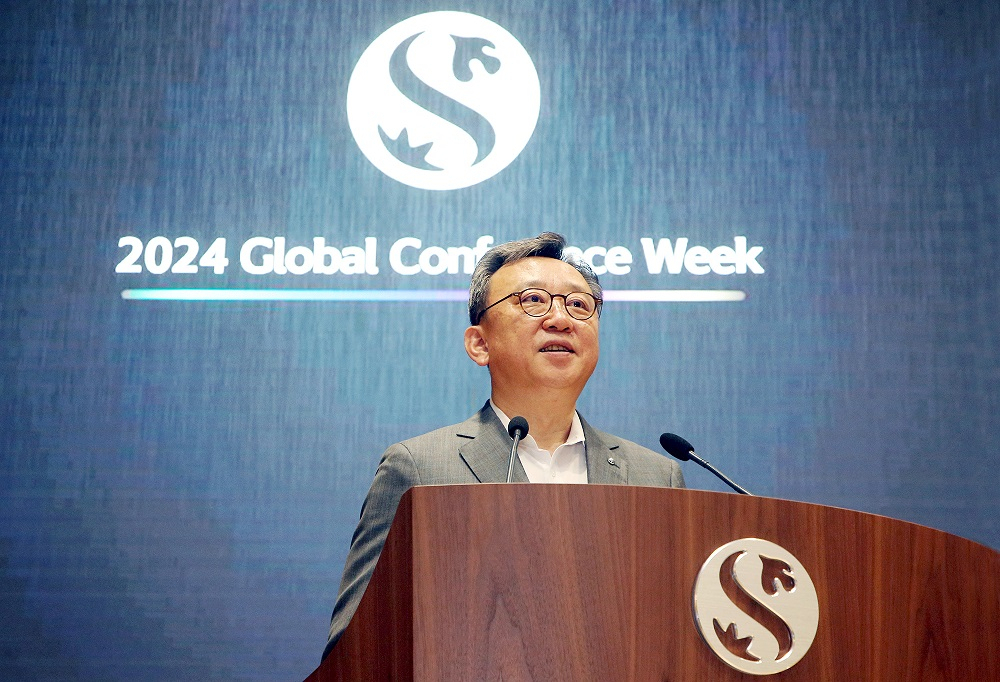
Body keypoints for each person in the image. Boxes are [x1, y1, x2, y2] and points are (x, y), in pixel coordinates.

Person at [322, 232, 684, 659]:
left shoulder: (655, 475)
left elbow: (674, 635)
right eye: (532, 300)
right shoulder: (419, 469)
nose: (561, 319)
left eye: (580, 305)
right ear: (480, 344)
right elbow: (354, 649)